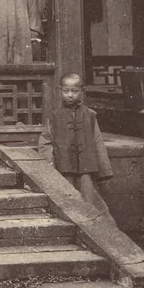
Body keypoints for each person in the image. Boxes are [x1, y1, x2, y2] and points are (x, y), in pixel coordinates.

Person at [39, 73, 115, 219]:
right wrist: (50, 165)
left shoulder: (90, 115)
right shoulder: (55, 116)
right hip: (64, 165)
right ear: (59, 91)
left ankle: (95, 226)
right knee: (68, 197)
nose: (70, 95)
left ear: (82, 91)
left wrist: (104, 170)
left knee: (89, 198)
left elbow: (97, 141)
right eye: (66, 91)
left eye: (74, 91)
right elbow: (45, 141)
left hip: (86, 167)